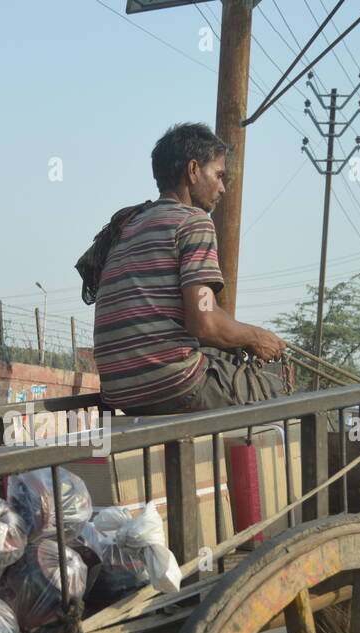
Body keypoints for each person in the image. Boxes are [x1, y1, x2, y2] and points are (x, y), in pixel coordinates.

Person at [89, 122, 289, 415]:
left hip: (119, 392)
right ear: (193, 170)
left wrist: (237, 338)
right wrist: (256, 337)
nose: (223, 188)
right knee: (277, 392)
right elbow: (205, 321)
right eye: (219, 175)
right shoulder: (193, 222)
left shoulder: (128, 225)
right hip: (174, 383)